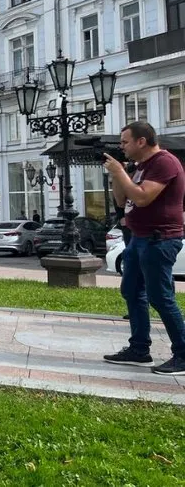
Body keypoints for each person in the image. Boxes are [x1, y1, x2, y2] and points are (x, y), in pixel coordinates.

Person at [103, 121, 185, 375]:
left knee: (159, 296)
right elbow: (121, 199)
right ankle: (139, 349)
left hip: (159, 238)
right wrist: (119, 174)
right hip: (140, 238)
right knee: (131, 290)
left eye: (125, 142)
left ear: (142, 141)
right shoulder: (140, 167)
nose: (122, 147)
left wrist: (121, 173)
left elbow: (141, 197)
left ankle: (182, 354)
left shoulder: (164, 162)